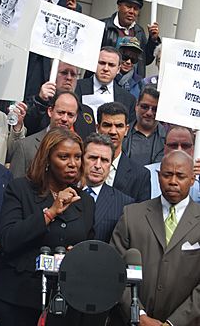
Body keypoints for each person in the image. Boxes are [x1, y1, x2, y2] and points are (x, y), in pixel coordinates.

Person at [0, 127, 95, 326]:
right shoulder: (20, 189)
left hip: (61, 304)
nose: (72, 164)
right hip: (15, 300)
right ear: (47, 159)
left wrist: (77, 254)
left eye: (77, 157)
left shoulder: (85, 201)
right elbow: (8, 239)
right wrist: (50, 212)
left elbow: (87, 245)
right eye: (64, 157)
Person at [111, 150, 200, 325]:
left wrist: (174, 323)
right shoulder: (132, 215)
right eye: (167, 175)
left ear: (192, 180)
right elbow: (115, 270)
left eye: (180, 176)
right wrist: (139, 315)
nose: (173, 181)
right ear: (158, 177)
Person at [10, 91, 93, 178]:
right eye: (60, 113)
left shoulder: (80, 149)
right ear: (50, 111)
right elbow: (14, 186)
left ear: (75, 118)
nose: (65, 118)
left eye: (70, 115)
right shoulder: (25, 147)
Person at [24, 0, 82, 98]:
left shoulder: (71, 6)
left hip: (57, 63)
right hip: (34, 62)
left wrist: (74, 14)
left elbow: (76, 35)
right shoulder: (32, 1)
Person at [83, 133, 134, 242]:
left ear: (111, 164)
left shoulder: (124, 204)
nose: (97, 165)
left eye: (104, 160)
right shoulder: (65, 193)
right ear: (82, 159)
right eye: (92, 158)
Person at [24, 61, 96, 138]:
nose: (69, 78)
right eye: (64, 73)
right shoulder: (39, 104)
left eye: (73, 74)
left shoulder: (87, 111)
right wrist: (40, 101)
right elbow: (29, 127)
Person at [97, 102, 151, 202]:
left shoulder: (140, 175)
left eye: (119, 126)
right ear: (97, 128)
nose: (113, 131)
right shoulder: (82, 167)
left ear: (126, 130)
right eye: (107, 125)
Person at [101, 0, 161, 78]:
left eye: (136, 9)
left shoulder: (139, 31)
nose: (132, 11)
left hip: (131, 86)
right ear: (119, 6)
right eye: (128, 6)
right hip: (105, 80)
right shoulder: (103, 26)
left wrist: (153, 40)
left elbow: (145, 60)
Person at [75, 46, 136, 123]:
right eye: (102, 63)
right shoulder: (76, 87)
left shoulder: (128, 100)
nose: (106, 69)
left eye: (111, 65)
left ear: (118, 69)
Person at [146, 125, 200, 203]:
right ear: (164, 148)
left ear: (193, 149)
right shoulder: (146, 173)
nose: (179, 150)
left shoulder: (199, 176)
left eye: (185, 146)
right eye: (173, 145)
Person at [122, 85, 166, 166]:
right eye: (145, 107)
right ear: (136, 106)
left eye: (155, 109)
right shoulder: (121, 134)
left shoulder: (168, 139)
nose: (149, 113)